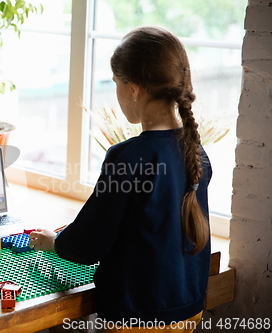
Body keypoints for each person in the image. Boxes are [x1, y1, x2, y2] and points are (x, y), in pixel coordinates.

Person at [29, 26, 212, 332]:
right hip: (189, 311)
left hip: (137, 318)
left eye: (116, 83)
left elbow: (88, 245)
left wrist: (54, 242)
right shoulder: (196, 152)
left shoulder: (129, 157)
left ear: (133, 89)